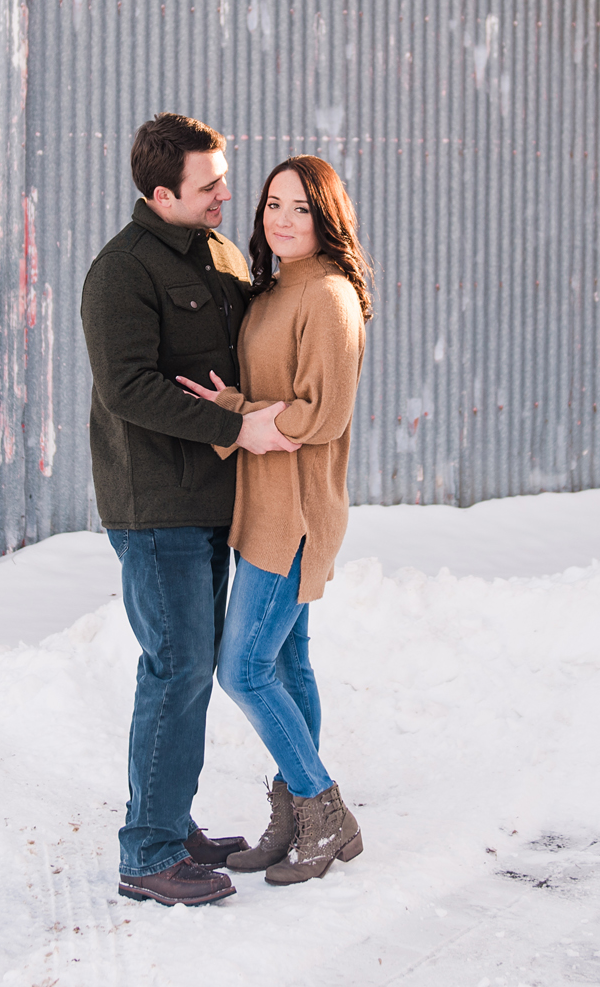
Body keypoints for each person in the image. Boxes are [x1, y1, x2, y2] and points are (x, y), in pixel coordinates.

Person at [80, 112, 303, 908]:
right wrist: (236, 426)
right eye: (209, 185)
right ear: (161, 192)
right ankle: (148, 852)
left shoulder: (217, 252)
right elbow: (127, 388)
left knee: (192, 668)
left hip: (213, 500)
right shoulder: (121, 272)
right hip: (155, 505)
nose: (225, 194)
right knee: (175, 669)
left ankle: (168, 822)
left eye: (222, 178)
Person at [175, 154, 372, 885]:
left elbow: (322, 415)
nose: (282, 219)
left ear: (327, 218)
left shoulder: (327, 295)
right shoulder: (274, 290)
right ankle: (293, 819)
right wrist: (245, 411)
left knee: (243, 668)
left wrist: (228, 410)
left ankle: (324, 810)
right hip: (262, 502)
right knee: (287, 663)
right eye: (272, 204)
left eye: (299, 207)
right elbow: (276, 404)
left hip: (297, 510)